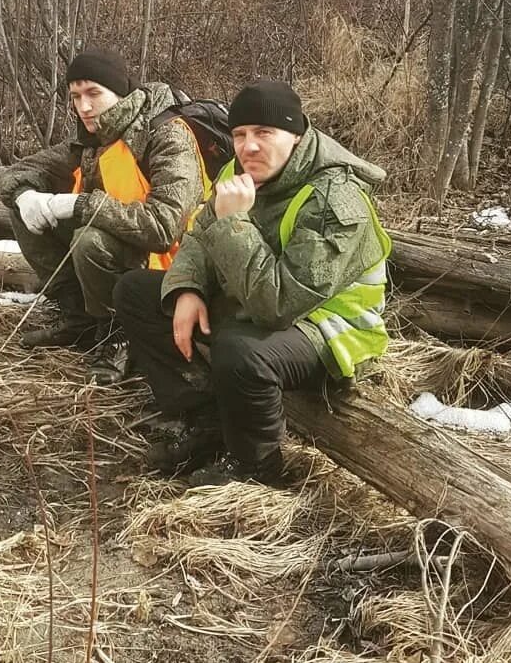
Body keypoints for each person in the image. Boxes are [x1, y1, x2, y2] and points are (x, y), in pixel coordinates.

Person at [113, 79, 392, 484]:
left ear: (296, 136)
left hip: (330, 327)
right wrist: (187, 287)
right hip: (259, 296)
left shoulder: (335, 198)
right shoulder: (237, 170)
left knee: (240, 349)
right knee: (136, 292)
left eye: (265, 133)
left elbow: (277, 305)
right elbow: (199, 237)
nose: (249, 146)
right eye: (239, 134)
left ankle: (256, 466)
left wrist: (233, 222)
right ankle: (205, 419)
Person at [0, 48, 208, 385]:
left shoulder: (168, 136)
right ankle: (80, 316)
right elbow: (20, 172)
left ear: (120, 92)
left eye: (94, 93)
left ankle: (119, 334)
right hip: (127, 249)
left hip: (173, 267)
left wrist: (80, 205)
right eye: (76, 96)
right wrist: (26, 196)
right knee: (23, 209)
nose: (83, 106)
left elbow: (164, 227)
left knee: (89, 239)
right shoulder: (95, 138)